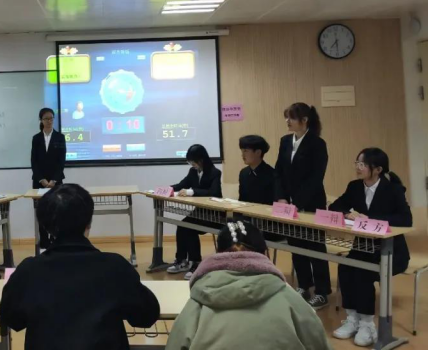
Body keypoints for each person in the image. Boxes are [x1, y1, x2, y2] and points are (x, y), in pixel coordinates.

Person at [0, 184, 160, 350]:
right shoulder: (115, 267)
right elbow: (147, 316)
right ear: (89, 222)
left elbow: (12, 319)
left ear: (46, 226)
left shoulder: (29, 270)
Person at [166, 221, 332, 350]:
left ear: (218, 254)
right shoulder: (292, 301)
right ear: (264, 253)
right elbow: (319, 343)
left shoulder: (196, 304)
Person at [329, 148, 412, 347]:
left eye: (363, 164)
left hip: (391, 252)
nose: (358, 168)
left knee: (362, 271)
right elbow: (335, 206)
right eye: (357, 163)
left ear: (378, 169)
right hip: (363, 247)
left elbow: (406, 220)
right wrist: (348, 213)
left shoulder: (393, 190)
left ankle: (367, 324)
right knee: (346, 266)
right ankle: (352, 318)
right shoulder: (355, 187)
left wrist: (370, 218)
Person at [274, 102, 331, 310]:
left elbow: (316, 178)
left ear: (304, 120)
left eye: (291, 117)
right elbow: (279, 172)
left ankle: (322, 291)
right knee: (296, 245)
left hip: (311, 203)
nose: (287, 121)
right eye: (286, 117)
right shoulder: (285, 141)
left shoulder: (317, 144)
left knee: (315, 247)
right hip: (288, 205)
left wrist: (297, 203)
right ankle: (304, 285)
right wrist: (281, 198)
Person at [167, 144, 222, 280]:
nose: (192, 164)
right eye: (190, 162)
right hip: (199, 213)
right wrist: (166, 189)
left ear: (202, 159)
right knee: (182, 225)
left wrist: (192, 192)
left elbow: (214, 193)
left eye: (193, 161)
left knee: (189, 227)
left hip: (214, 215)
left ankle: (196, 263)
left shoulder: (215, 173)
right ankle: (181, 260)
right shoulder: (193, 172)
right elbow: (181, 185)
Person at [31, 107, 66, 250]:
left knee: (57, 212)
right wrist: (42, 180)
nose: (49, 121)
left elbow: (61, 162)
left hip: (55, 182)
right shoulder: (36, 138)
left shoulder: (60, 137)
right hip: (39, 182)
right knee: (42, 212)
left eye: (51, 118)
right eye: (46, 118)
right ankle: (44, 243)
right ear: (41, 120)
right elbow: (34, 162)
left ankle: (55, 240)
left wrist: (53, 180)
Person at [238, 135, 276, 205]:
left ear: (258, 152)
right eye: (242, 151)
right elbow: (242, 199)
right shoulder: (243, 173)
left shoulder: (273, 174)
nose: (242, 155)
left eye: (245, 151)